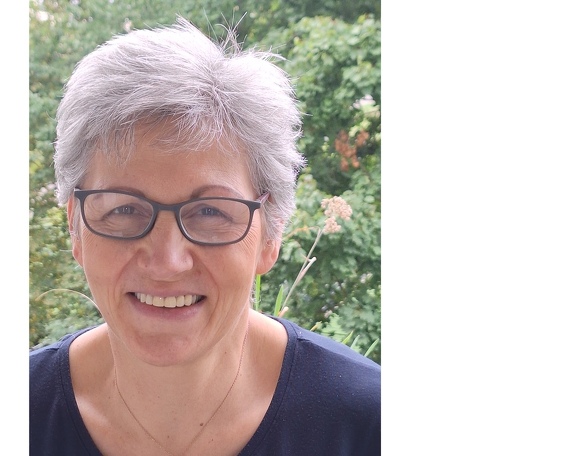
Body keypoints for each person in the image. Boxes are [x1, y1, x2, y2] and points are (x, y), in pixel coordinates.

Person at [29, 17, 380, 456]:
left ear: (270, 234)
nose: (167, 262)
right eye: (124, 209)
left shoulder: (371, 426)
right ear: (75, 227)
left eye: (211, 212)